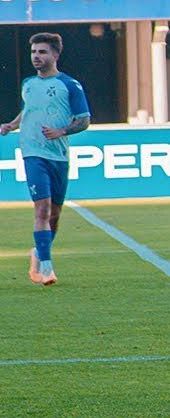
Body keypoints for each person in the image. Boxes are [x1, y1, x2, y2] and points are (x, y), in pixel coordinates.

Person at [0, 33, 91, 286]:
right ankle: (47, 268)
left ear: (55, 55)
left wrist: (62, 131)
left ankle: (38, 253)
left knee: (55, 216)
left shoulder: (69, 85)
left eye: (42, 52)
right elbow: (28, 109)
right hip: (32, 152)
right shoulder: (28, 84)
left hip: (58, 156)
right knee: (42, 208)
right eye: (34, 52)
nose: (36, 57)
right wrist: (13, 124)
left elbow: (84, 119)